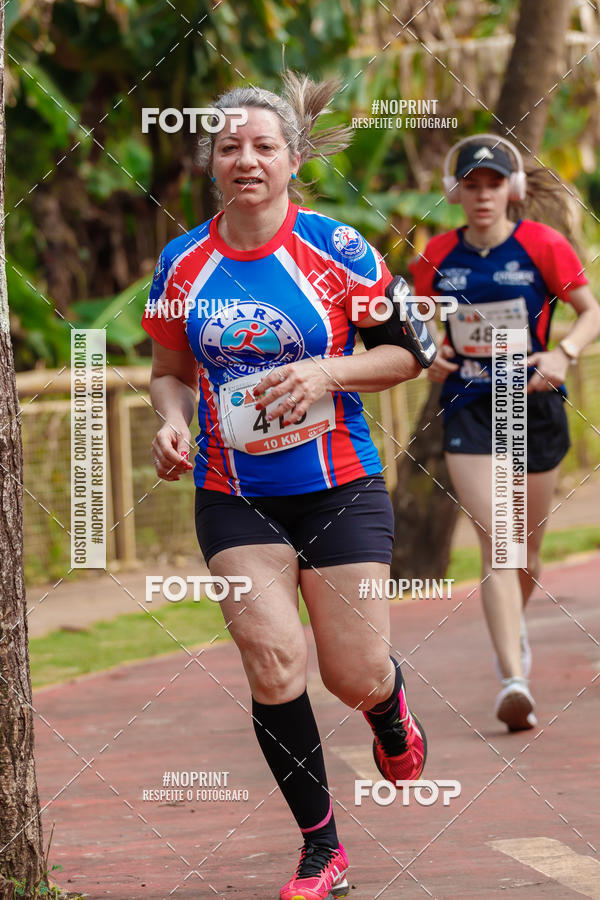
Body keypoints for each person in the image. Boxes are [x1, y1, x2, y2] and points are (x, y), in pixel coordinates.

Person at [142, 73, 430, 900]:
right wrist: (170, 420)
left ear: (292, 158)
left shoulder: (339, 252)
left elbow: (406, 352)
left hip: (339, 482)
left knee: (353, 671)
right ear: (212, 163)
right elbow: (169, 372)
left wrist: (322, 371)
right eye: (230, 146)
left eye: (264, 145)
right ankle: (321, 849)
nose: (247, 159)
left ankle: (386, 705)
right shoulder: (182, 262)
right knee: (274, 664)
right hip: (234, 493)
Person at [411, 133, 600, 732]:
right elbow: (410, 327)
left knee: (529, 552)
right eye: (472, 186)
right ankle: (514, 675)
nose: (484, 195)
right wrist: (430, 352)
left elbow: (591, 312)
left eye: (494, 184)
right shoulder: (436, 256)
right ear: (457, 193)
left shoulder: (544, 245)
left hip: (534, 405)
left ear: (512, 189)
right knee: (500, 541)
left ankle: (510, 631)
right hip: (469, 407)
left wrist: (564, 353)